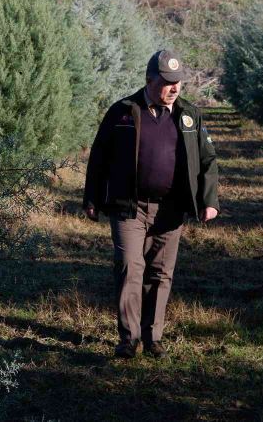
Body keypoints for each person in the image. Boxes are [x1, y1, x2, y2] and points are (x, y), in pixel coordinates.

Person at [82, 50, 220, 359]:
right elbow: (99, 157)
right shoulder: (123, 111)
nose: (175, 88)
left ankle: (152, 337)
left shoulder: (189, 115)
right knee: (130, 268)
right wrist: (91, 198)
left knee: (160, 273)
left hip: (171, 208)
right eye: (168, 82)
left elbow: (208, 159)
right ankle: (128, 340)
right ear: (149, 80)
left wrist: (209, 200)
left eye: (178, 82)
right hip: (128, 206)